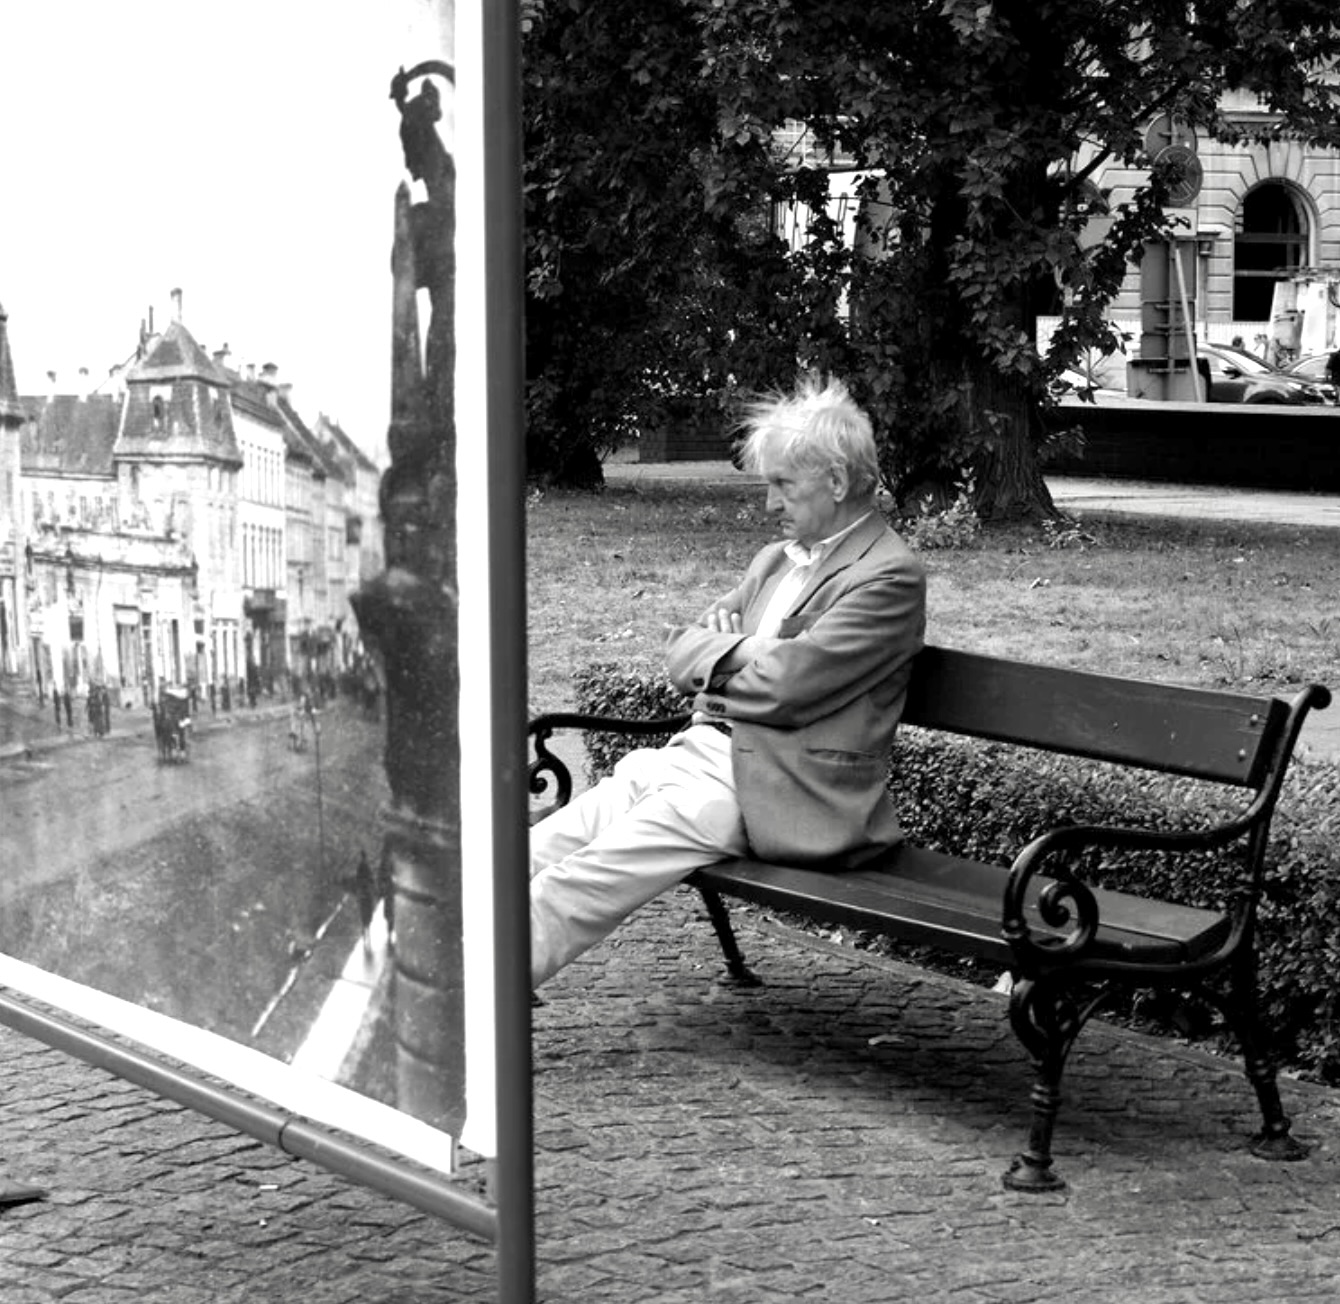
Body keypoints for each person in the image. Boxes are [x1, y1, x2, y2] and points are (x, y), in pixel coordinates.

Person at [529, 376, 927, 989]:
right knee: (546, 843)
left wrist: (724, 667)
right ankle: (417, 948)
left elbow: (788, 687)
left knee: (583, 877)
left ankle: (474, 998)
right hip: (699, 757)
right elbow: (680, 651)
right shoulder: (774, 559)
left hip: (778, 788)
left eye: (782, 486)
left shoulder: (887, 577)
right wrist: (752, 651)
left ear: (838, 482)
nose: (769, 504)